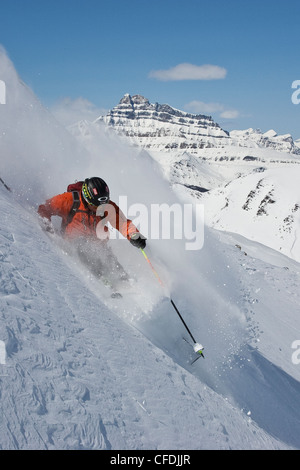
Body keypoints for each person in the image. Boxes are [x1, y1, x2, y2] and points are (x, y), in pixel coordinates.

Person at [38, 177, 146, 282]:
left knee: (108, 258)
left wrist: (134, 235)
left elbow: (122, 223)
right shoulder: (70, 200)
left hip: (99, 246)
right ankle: (101, 279)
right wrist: (49, 229)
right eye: (95, 206)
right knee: (83, 245)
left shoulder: (106, 206)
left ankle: (126, 282)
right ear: (86, 198)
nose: (99, 209)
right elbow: (45, 209)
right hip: (73, 244)